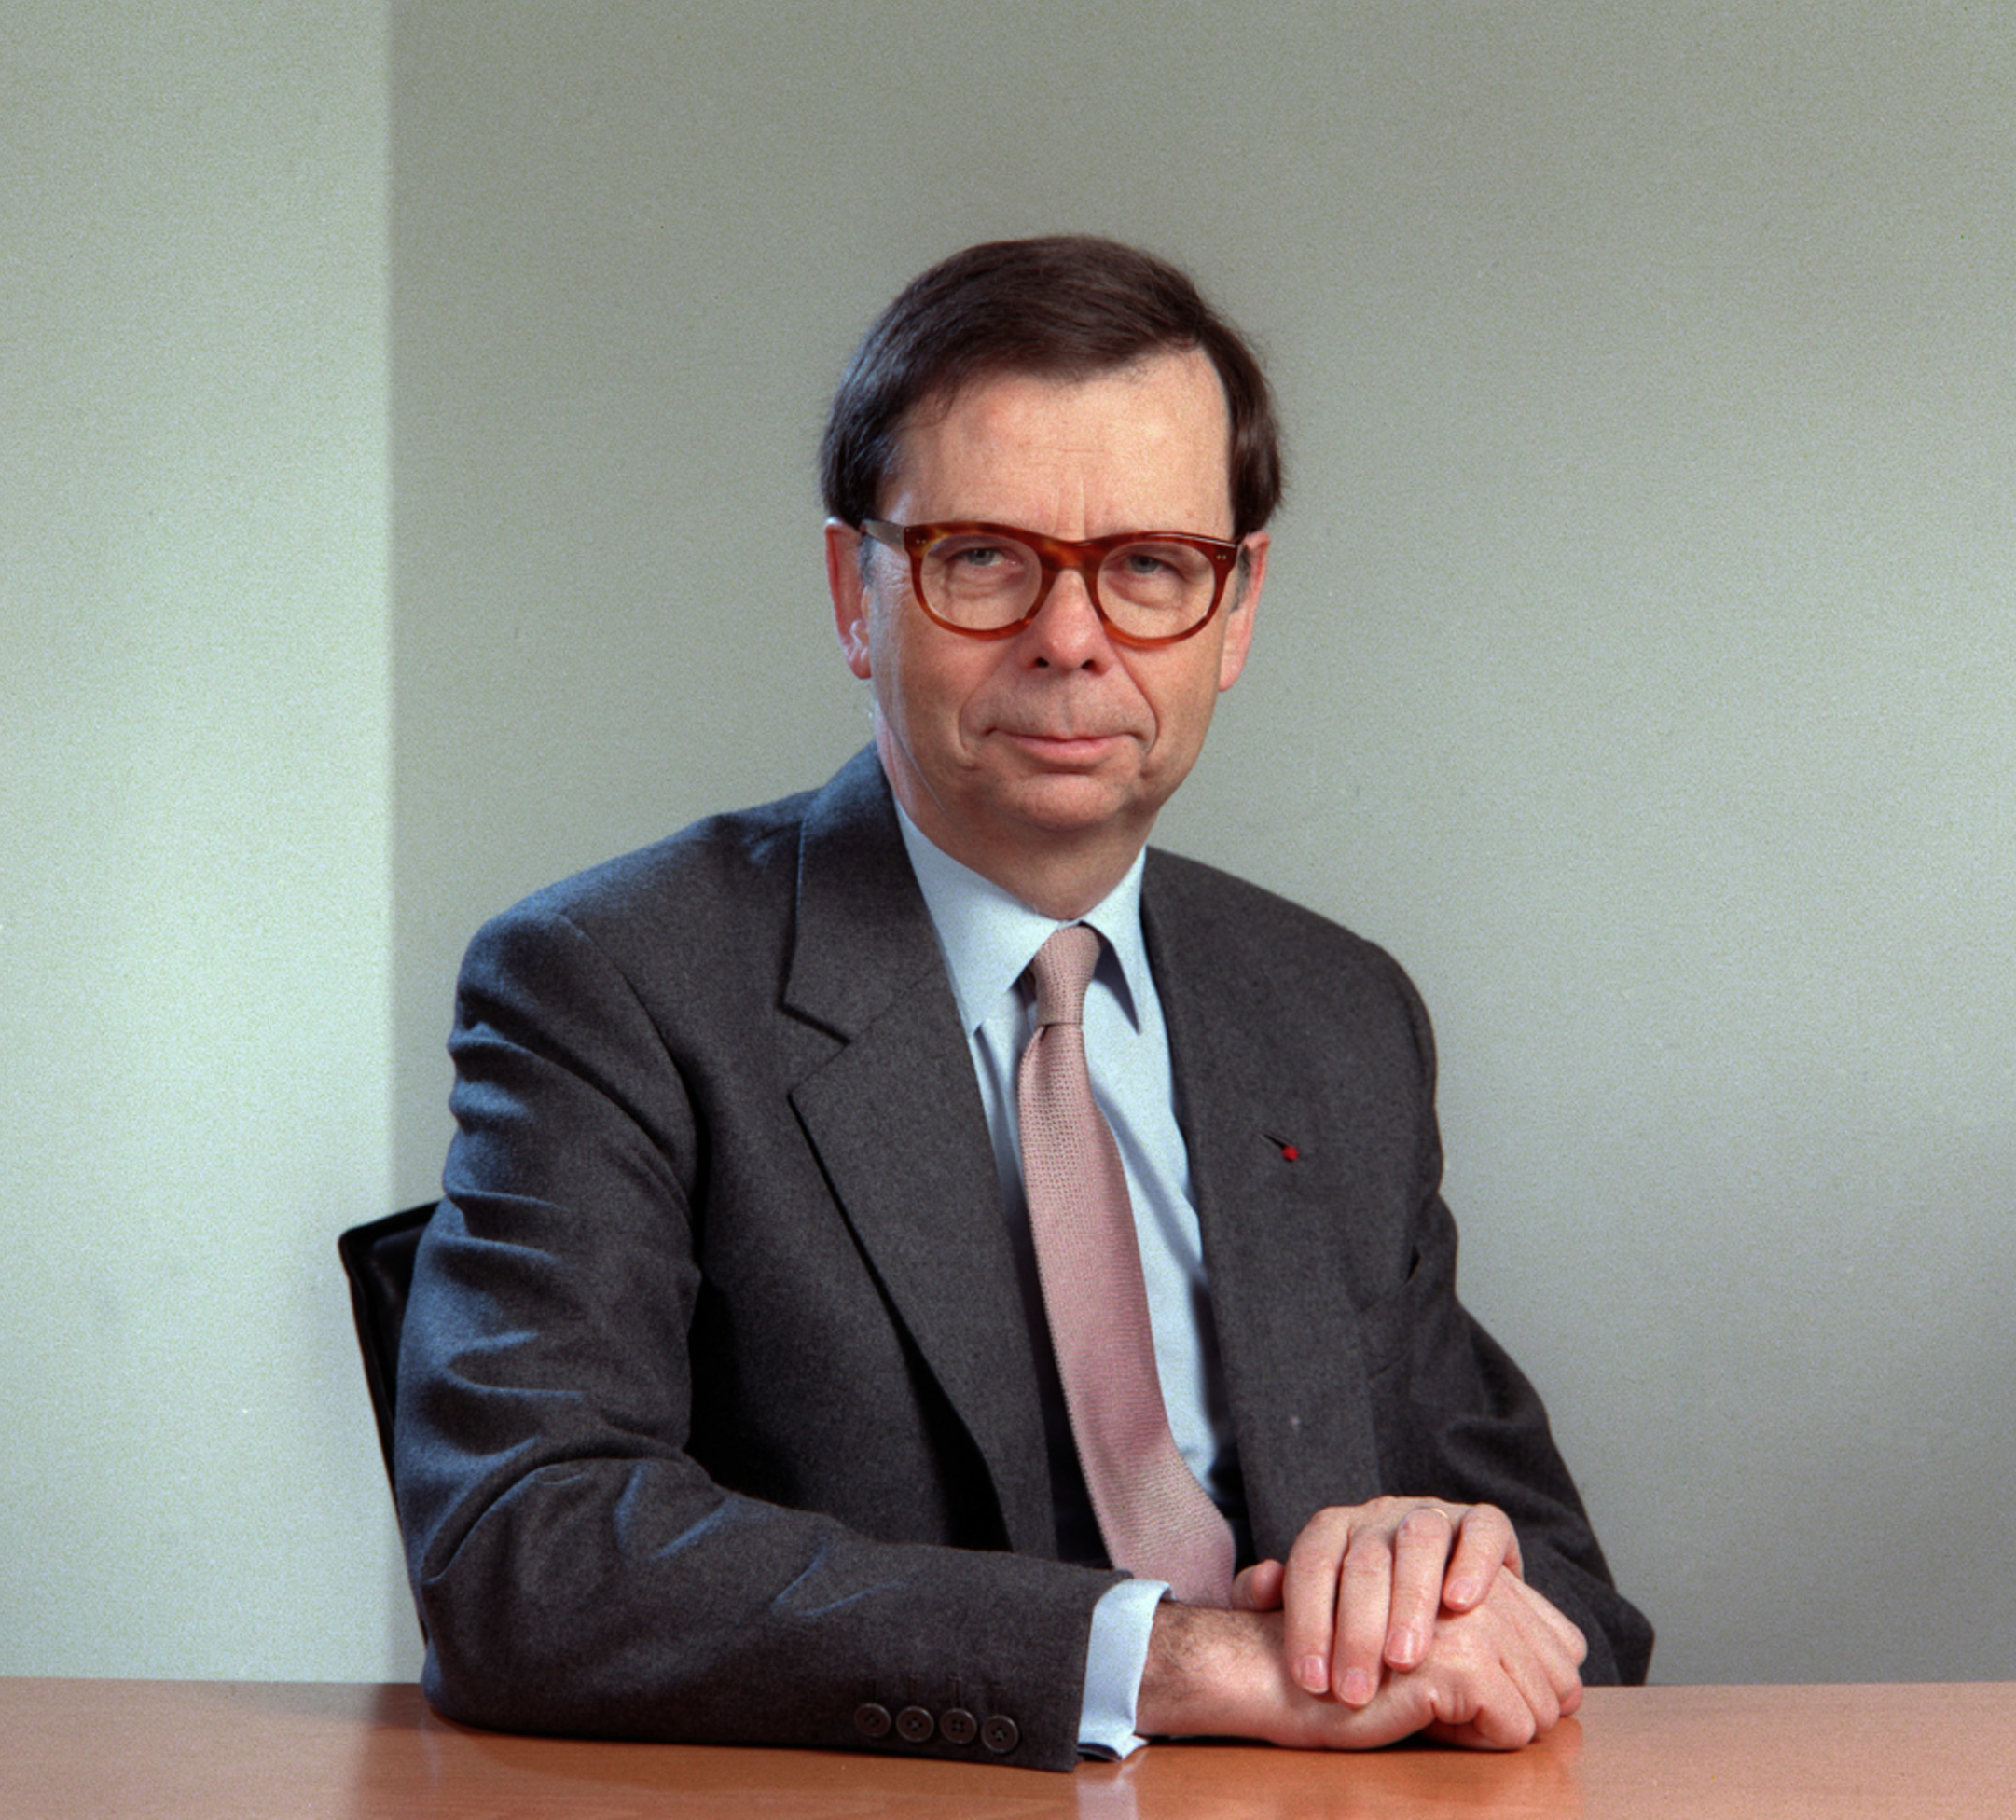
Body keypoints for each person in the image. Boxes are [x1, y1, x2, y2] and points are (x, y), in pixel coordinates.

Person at [394, 236, 1651, 1772]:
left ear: (1237, 610)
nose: (1071, 636)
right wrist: (1179, 1663)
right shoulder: (614, 982)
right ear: (857, 594)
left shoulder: (1338, 1013)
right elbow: (524, 1554)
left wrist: (1447, 1581)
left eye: (1151, 566)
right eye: (983, 559)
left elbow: (1577, 1603)